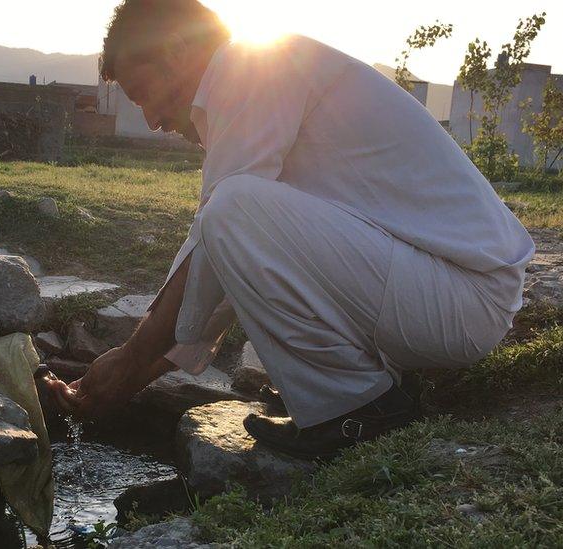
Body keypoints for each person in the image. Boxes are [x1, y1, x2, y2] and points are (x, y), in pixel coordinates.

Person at [45, 0, 534, 460]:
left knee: (231, 209)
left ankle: (357, 410)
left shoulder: (251, 66)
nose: (151, 120)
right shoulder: (257, 83)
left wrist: (130, 361)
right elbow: (217, 275)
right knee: (231, 217)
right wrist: (123, 377)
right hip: (444, 295)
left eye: (142, 93)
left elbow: (220, 233)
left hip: (461, 294)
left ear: (177, 48)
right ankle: (361, 390)